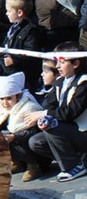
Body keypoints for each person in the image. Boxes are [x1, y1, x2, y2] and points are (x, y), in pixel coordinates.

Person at [27, 42, 87, 182]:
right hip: (69, 131)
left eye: (62, 61)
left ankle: (72, 166)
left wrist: (44, 115)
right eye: (57, 62)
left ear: (76, 63)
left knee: (52, 124)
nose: (58, 66)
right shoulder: (60, 82)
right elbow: (49, 104)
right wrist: (44, 117)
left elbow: (70, 113)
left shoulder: (84, 83)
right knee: (35, 142)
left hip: (83, 132)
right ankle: (80, 160)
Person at [0, 72, 46, 182]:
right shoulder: (1, 110)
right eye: (2, 99)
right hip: (14, 139)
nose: (5, 103)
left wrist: (14, 137)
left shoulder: (29, 107)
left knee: (20, 142)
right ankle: (17, 162)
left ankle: (33, 166)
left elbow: (32, 131)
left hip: (30, 147)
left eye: (9, 98)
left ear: (17, 96)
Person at [0, 0, 44, 90]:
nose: (6, 14)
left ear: (20, 12)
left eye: (9, 11)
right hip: (10, 73)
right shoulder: (13, 29)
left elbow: (31, 52)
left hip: (24, 77)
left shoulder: (31, 31)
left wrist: (14, 60)